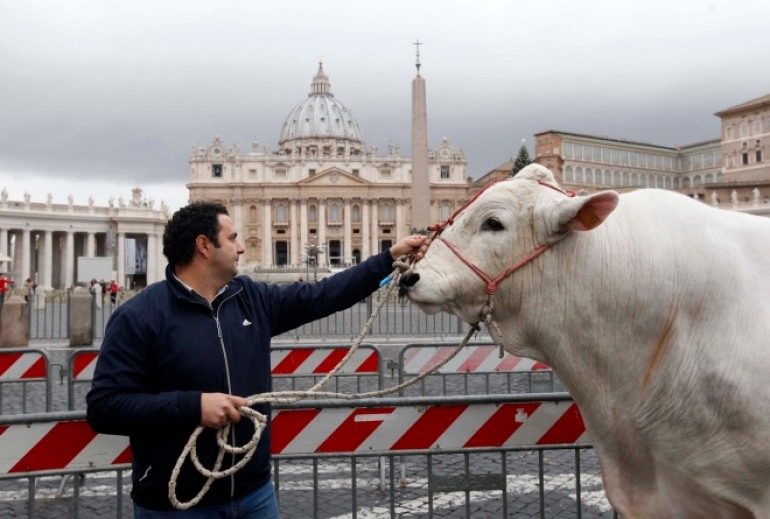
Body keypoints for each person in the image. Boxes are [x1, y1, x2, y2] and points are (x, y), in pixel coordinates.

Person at [86, 201, 428, 517]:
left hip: (254, 493)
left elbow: (323, 295)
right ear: (204, 246)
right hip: (176, 504)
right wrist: (193, 407)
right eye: (232, 238)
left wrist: (387, 259)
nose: (241, 246)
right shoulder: (139, 316)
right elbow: (105, 407)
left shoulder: (251, 298)